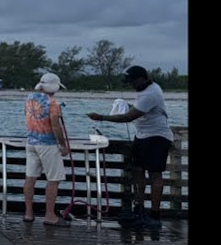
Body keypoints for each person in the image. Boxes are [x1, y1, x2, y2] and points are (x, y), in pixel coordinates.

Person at [87, 65, 174, 230]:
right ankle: (139, 210)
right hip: (142, 135)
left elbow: (129, 117)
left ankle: (155, 214)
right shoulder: (144, 90)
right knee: (138, 171)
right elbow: (138, 110)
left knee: (155, 175)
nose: (130, 85)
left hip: (157, 136)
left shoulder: (151, 93)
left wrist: (101, 117)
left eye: (132, 81)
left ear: (142, 78)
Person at [23, 73, 70, 225]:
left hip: (31, 142)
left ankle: (28, 213)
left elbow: (27, 115)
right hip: (48, 144)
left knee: (31, 177)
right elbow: (56, 126)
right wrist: (63, 144)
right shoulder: (53, 103)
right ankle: (50, 215)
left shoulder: (29, 98)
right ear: (55, 87)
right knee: (53, 179)